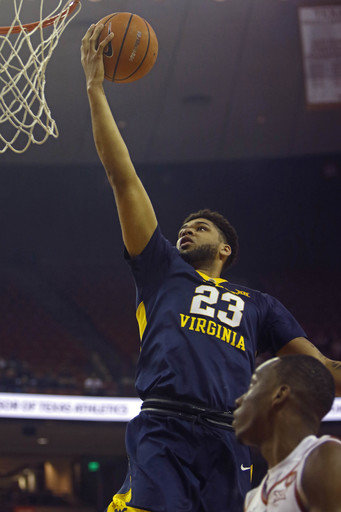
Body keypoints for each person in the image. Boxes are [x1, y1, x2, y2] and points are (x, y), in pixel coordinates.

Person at [80, 24, 341, 512]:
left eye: (200, 227)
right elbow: (124, 179)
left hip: (229, 441)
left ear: (226, 249)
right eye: (185, 227)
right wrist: (95, 89)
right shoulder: (160, 269)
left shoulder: (259, 305)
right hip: (164, 425)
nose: (187, 231)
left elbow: (321, 370)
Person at [233, 354, 341, 511]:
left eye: (251, 386)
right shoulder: (252, 498)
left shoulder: (323, 457)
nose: (239, 400)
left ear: (280, 394)